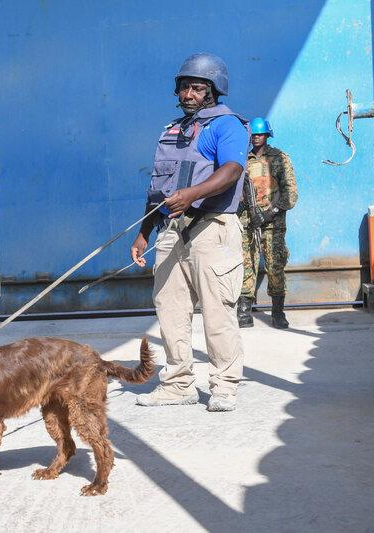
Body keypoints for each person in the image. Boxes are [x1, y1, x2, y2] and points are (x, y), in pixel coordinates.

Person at [130, 53, 250, 412]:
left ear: (214, 91)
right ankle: (178, 383)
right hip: (170, 230)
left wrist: (192, 195)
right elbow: (157, 189)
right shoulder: (172, 131)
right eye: (184, 87)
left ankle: (224, 385)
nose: (189, 94)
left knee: (217, 310)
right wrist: (144, 232)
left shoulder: (226, 126)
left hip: (212, 228)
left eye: (198, 87)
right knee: (169, 308)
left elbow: (231, 171)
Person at [237, 118, 298, 329]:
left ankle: (278, 312)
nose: (255, 137)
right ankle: (244, 310)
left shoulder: (279, 158)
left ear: (267, 136)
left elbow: (291, 195)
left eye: (259, 134)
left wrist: (268, 214)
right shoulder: (242, 160)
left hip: (273, 223)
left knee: (275, 266)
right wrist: (242, 205)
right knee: (246, 265)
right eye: (253, 134)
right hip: (247, 222)